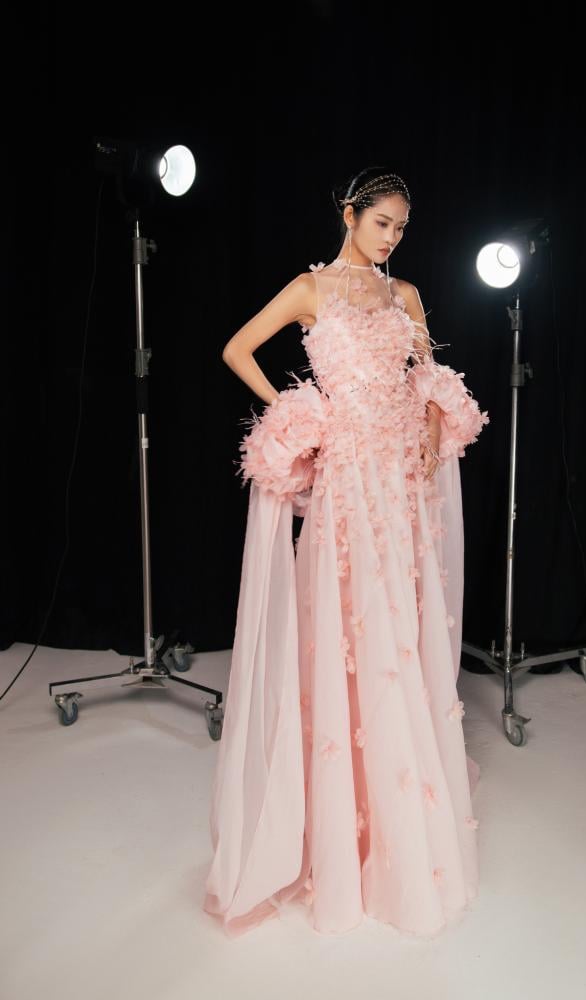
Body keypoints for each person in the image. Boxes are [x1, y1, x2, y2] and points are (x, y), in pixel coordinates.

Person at [203, 166, 489, 939]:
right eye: (382, 222)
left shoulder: (406, 296)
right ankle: (343, 822)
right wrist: (300, 412)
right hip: (348, 474)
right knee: (348, 624)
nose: (392, 237)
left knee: (397, 622)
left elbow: (427, 376)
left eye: (402, 227)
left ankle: (400, 806)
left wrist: (432, 426)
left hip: (399, 479)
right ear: (350, 215)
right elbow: (237, 349)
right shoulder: (311, 289)